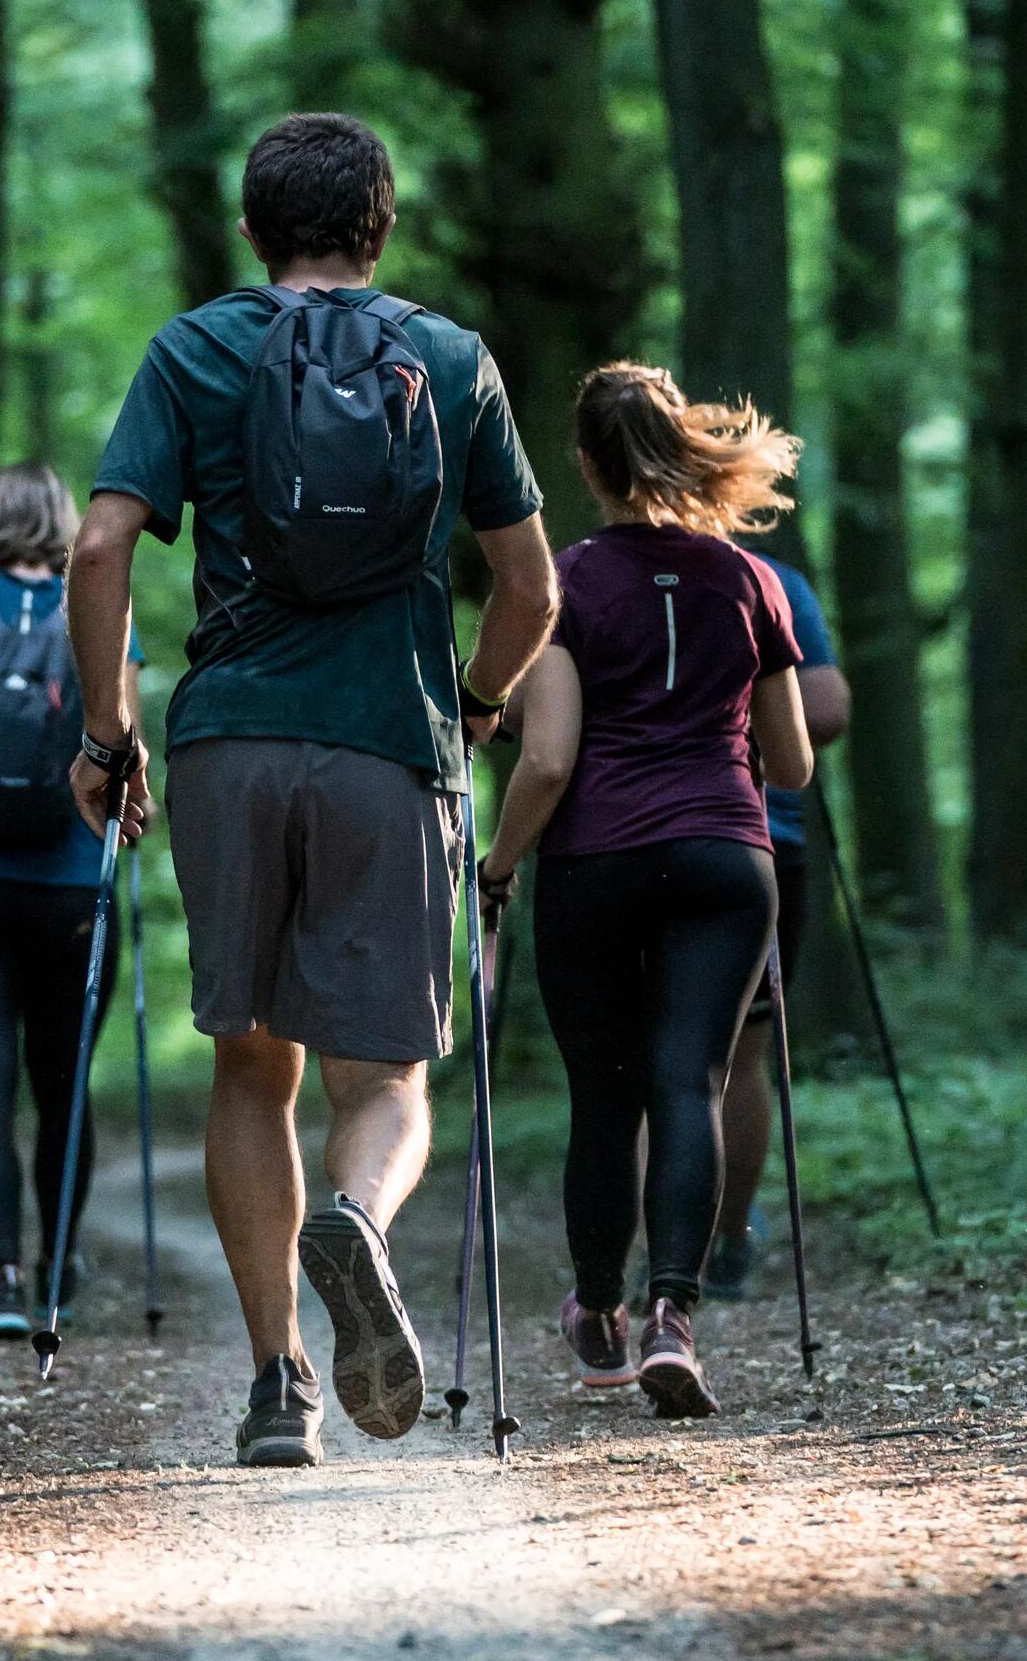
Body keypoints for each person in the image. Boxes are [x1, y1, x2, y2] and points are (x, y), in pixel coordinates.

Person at [65, 112, 559, 1468]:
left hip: (230, 737)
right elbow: (533, 588)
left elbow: (102, 540)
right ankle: (359, 1217)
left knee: (249, 1060)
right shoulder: (452, 358)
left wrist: (109, 735)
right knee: (386, 1068)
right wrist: (471, 705)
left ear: (251, 228)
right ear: (382, 225)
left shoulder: (196, 347)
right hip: (386, 740)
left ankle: (280, 1380)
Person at [479, 362, 812, 1420]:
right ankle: (678, 1315)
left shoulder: (566, 582)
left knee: (605, 1097)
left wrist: (496, 865)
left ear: (584, 465)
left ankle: (600, 1317)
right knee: (692, 1084)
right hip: (725, 860)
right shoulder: (751, 583)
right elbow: (793, 761)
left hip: (598, 862)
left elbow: (546, 762)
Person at [0, 463, 145, 1340]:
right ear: (59, 525)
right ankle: (57, 1265)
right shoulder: (90, 608)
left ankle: (2, 1277)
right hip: (70, 883)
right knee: (64, 1085)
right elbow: (121, 735)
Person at [705, 553, 851, 1298]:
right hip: (755, 839)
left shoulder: (584, 572)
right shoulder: (771, 582)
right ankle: (713, 1243)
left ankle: (689, 1251)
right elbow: (823, 711)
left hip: (633, 840)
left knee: (674, 1051)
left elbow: (826, 710)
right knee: (737, 1052)